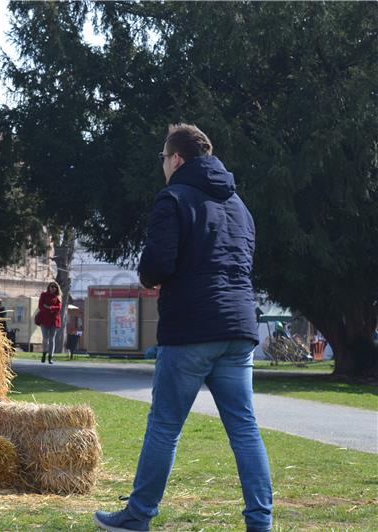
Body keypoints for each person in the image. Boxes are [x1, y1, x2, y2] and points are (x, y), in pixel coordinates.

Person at [94, 124, 272, 531]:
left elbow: (157, 264)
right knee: (244, 429)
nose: (162, 166)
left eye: (162, 158)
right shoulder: (240, 206)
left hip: (191, 328)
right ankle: (260, 522)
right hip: (238, 327)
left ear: (176, 159)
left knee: (165, 427)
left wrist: (148, 277)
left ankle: (138, 515)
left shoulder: (172, 198)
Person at [38, 281, 62, 364]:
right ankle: (44, 353)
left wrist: (49, 307)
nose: (53, 288)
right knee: (45, 337)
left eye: (55, 287)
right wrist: (50, 309)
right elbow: (41, 306)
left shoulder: (58, 297)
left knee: (52, 339)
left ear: (57, 288)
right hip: (44, 319)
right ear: (49, 287)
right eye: (51, 286)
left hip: (54, 319)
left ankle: (50, 357)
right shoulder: (43, 295)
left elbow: (58, 308)